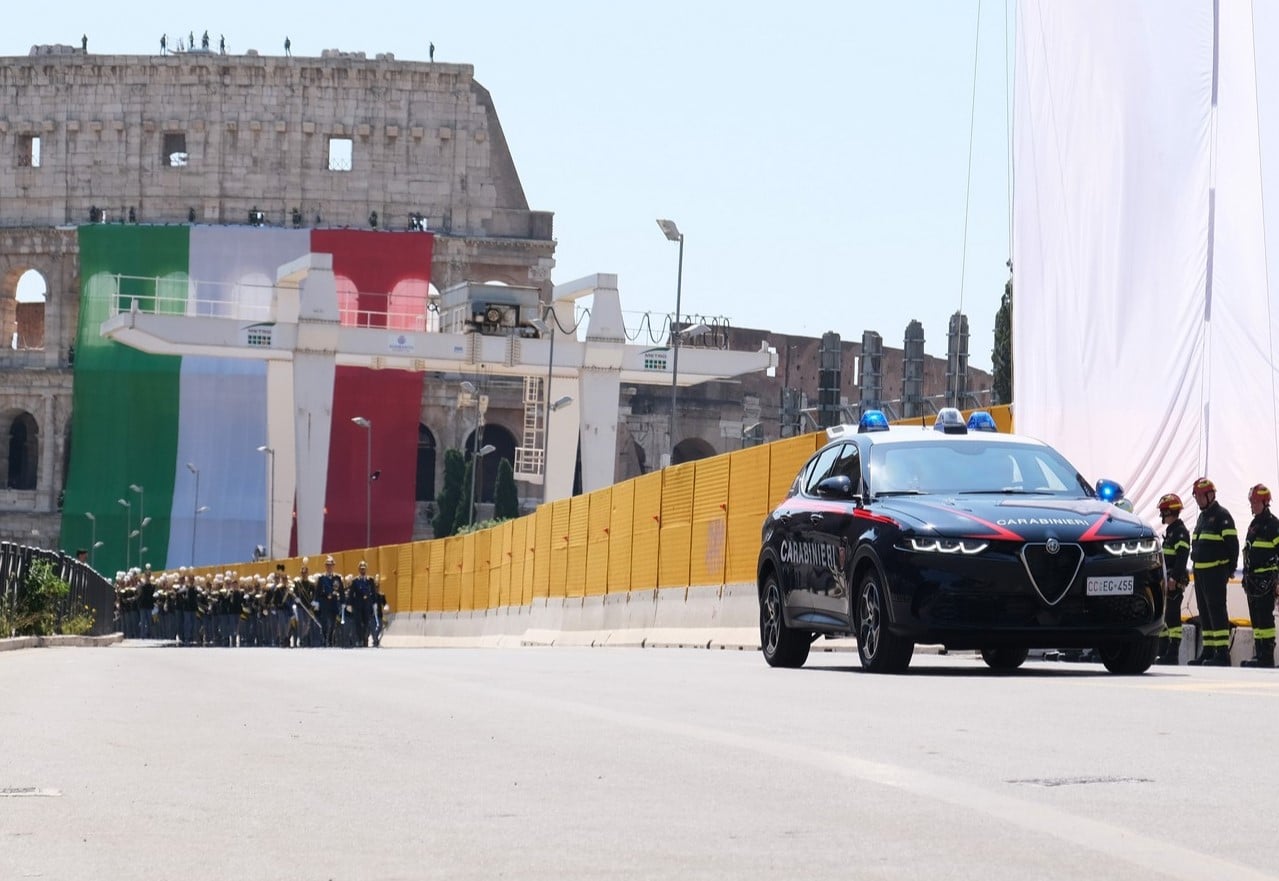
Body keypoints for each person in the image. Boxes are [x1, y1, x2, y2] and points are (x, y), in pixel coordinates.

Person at [1188, 477, 1239, 666]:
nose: (1198, 499)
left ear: (1210, 495)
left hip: (1215, 572)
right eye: (1196, 496)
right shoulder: (1202, 517)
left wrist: (1230, 569)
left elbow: (1233, 545)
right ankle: (1208, 650)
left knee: (1217, 611)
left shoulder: (1222, 516)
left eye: (1200, 496)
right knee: (1205, 612)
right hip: (1200, 573)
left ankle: (1222, 653)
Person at [1241, 484, 1279, 667]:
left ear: (1265, 502)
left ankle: (1266, 656)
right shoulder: (1254, 524)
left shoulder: (1273, 525)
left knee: (1265, 618)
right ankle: (1259, 653)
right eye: (1251, 502)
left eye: (1255, 502)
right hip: (1252, 579)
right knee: (1256, 619)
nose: (1252, 505)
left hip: (1267, 579)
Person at [1157, 492, 1190, 664]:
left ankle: (1173, 652)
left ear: (1170, 512)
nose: (1161, 515)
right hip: (1167, 578)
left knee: (1172, 615)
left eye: (1163, 511)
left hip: (1174, 581)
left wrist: (1174, 579)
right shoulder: (1171, 531)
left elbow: (1182, 557)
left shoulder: (1180, 532)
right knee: (1164, 615)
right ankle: (1163, 650)